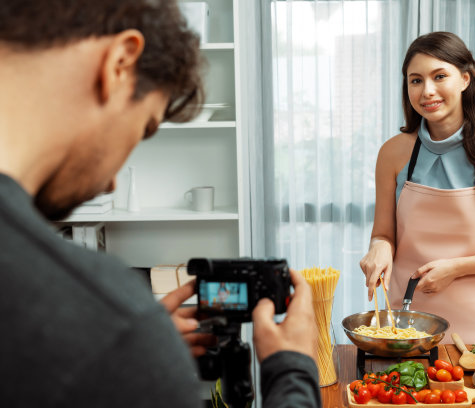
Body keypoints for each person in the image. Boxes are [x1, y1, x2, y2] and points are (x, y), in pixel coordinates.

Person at [0, 1, 321, 407]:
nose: (111, 183)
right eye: (144, 128)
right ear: (120, 63)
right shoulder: (108, 317)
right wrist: (293, 368)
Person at [359, 32, 475, 344]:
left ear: (465, 79)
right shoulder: (393, 153)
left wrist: (456, 268)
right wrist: (379, 246)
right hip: (405, 319)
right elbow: (384, 233)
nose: (427, 90)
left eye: (440, 76)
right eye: (415, 80)